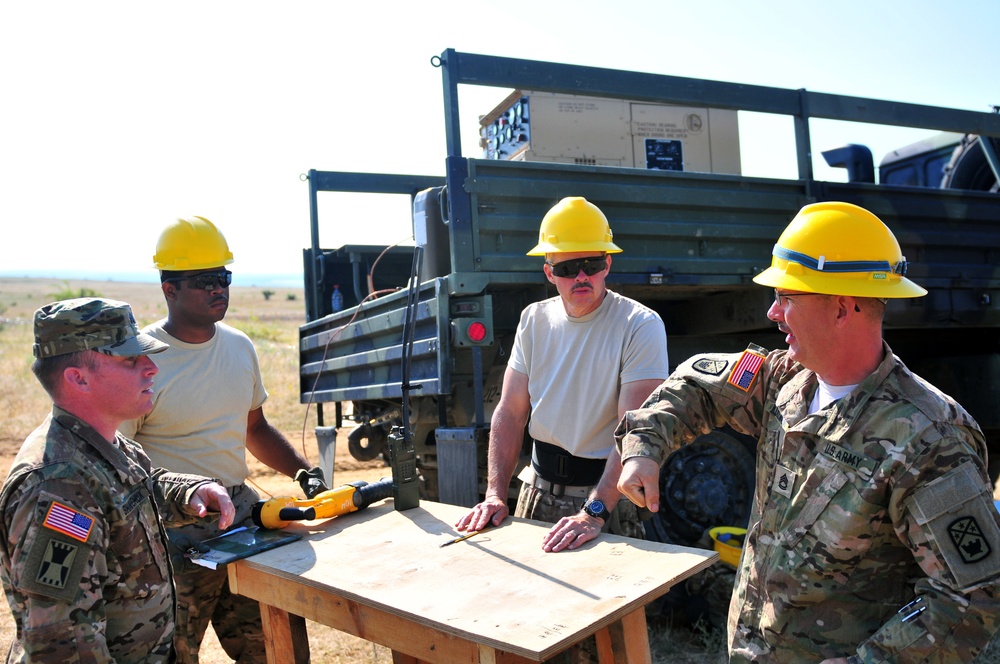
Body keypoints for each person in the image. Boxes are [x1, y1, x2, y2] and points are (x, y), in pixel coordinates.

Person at [615, 201, 1000, 662]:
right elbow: (696, 384)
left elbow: (973, 595)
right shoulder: (785, 379)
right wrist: (644, 445)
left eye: (788, 297)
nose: (774, 312)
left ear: (841, 308)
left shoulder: (929, 437)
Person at [118, 216, 328, 663]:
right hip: (171, 529)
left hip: (242, 520)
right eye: (205, 280)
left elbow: (255, 429)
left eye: (224, 277)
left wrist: (305, 473)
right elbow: (121, 463)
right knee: (169, 653)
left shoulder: (239, 347)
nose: (219, 289)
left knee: (275, 648)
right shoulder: (140, 360)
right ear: (169, 289)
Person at [0, 298, 236, 662]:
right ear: (78, 378)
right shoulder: (58, 488)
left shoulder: (103, 442)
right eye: (130, 360)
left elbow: (138, 487)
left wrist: (189, 491)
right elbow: (62, 644)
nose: (152, 368)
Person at [456, 196, 669, 552]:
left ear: (608, 264)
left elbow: (634, 431)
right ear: (549, 272)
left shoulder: (639, 325)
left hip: (605, 505)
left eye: (592, 264)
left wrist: (595, 512)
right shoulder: (534, 320)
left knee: (610, 605)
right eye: (569, 269)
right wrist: (495, 494)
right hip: (536, 492)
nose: (582, 276)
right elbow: (510, 411)